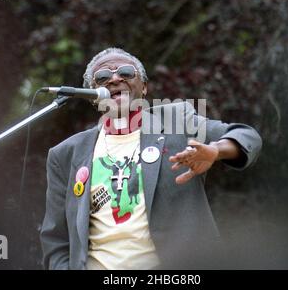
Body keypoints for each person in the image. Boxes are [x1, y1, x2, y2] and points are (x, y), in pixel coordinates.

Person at [40, 47, 262, 269]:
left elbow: (247, 136)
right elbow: (56, 241)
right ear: (93, 96)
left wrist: (216, 150)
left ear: (144, 87)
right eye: (103, 77)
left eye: (126, 72)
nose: (115, 78)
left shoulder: (176, 121)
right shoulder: (67, 153)